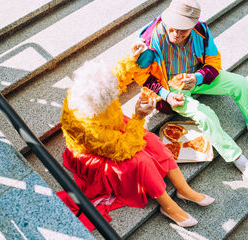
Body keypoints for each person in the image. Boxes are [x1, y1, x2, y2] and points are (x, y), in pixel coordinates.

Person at [132, 0, 248, 187]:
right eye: (173, 27)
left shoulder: (201, 30)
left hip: (197, 77)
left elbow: (214, 62)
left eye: (183, 29)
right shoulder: (150, 39)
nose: (177, 33)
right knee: (205, 116)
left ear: (193, 25)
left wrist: (197, 78)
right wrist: (166, 95)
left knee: (240, 83)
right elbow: (140, 75)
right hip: (170, 88)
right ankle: (240, 160)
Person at [59, 48, 214, 228]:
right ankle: (167, 206)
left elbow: (115, 79)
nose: (116, 93)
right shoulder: (87, 128)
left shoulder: (88, 92)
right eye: (111, 97)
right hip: (98, 153)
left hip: (113, 129)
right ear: (101, 103)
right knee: (141, 161)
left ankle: (184, 189)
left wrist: (131, 59)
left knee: (154, 141)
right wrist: (139, 117)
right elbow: (123, 150)